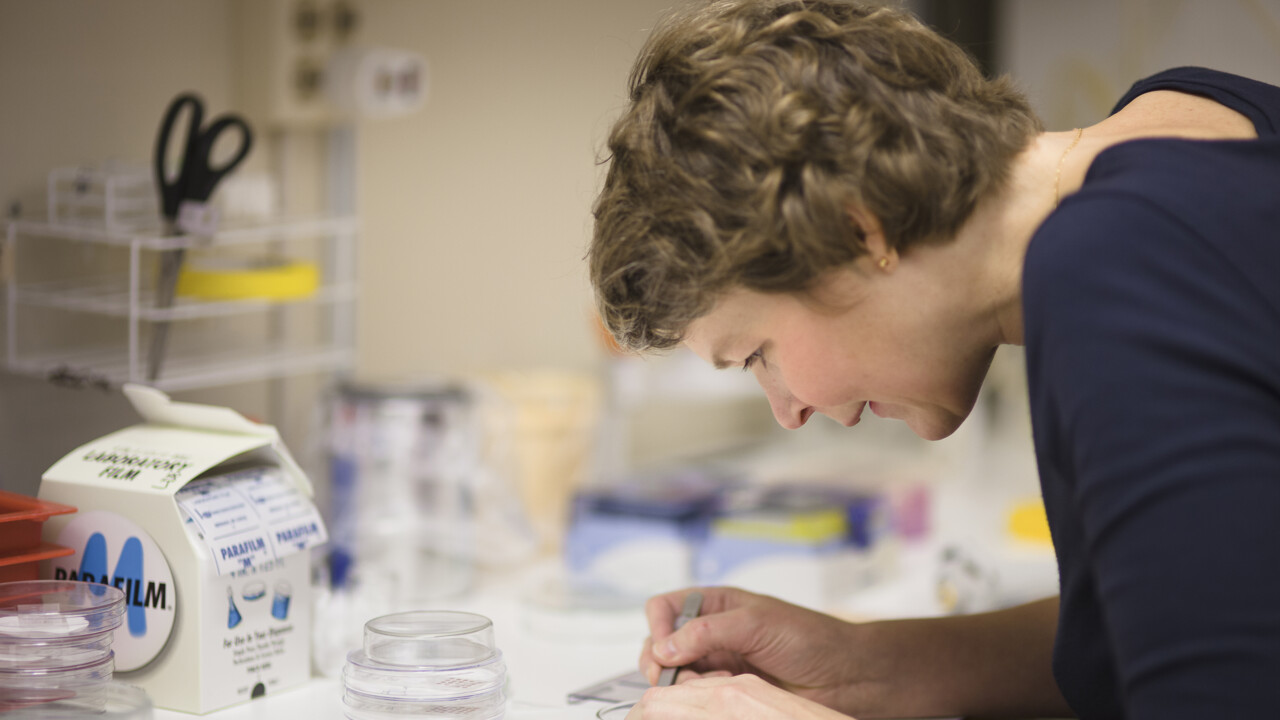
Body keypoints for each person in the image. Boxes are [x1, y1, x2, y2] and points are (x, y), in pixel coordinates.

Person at [588, 0, 1280, 718]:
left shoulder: (1113, 269)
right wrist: (867, 667)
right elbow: (1185, 618)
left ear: (858, 232)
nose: (787, 412)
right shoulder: (1191, 117)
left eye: (759, 354)